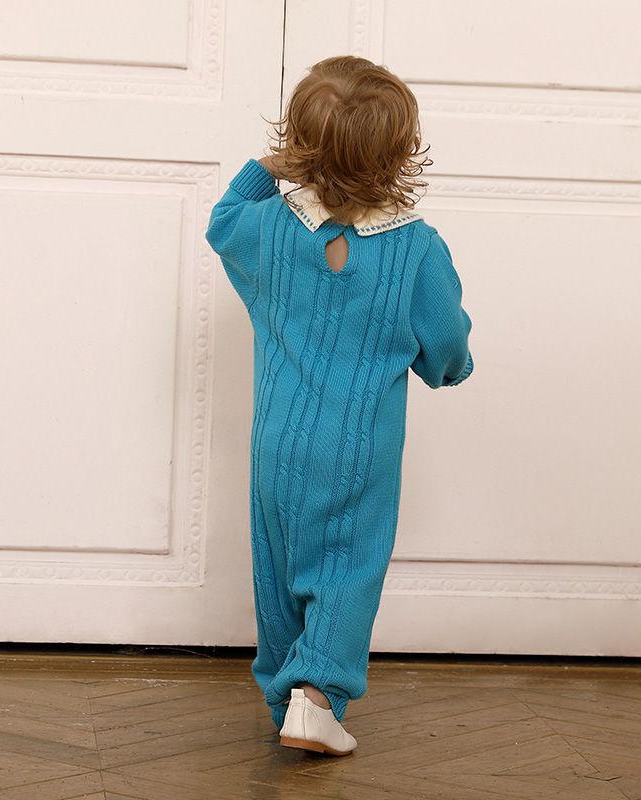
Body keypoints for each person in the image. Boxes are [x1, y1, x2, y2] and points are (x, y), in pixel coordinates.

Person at [205, 55, 474, 756]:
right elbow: (446, 345)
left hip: (277, 443)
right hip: (358, 451)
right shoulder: (416, 250)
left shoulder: (269, 229)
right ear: (400, 153)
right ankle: (317, 696)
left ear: (298, 144)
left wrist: (267, 168)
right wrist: (448, 368)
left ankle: (284, 698)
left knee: (278, 566)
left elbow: (222, 220)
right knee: (347, 568)